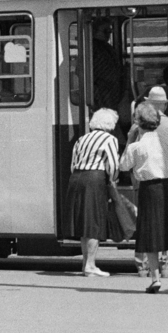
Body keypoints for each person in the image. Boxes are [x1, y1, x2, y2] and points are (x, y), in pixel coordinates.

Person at [120, 102, 168, 294]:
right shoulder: (167, 143)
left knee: (151, 235)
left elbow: (123, 166)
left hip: (149, 190)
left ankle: (155, 279)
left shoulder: (137, 146)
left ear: (138, 122)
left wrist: (129, 139)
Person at [65, 108, 122, 277]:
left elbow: (73, 164)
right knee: (94, 223)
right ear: (110, 124)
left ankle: (86, 264)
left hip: (76, 179)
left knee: (84, 223)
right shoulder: (110, 139)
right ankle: (90, 265)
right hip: (94, 179)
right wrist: (113, 180)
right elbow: (113, 165)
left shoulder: (82, 139)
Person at [128, 86, 168, 215]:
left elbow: (130, 155)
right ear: (165, 106)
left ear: (148, 104)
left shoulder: (137, 126)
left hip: (146, 180)